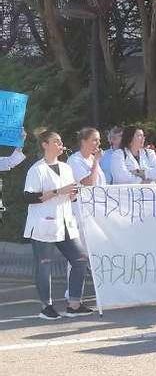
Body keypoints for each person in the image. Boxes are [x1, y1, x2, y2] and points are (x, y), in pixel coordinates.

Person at [22, 130, 93, 320]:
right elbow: (29, 197)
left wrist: (73, 193)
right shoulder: (37, 169)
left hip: (65, 222)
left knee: (80, 259)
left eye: (61, 141)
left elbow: (69, 194)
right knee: (44, 265)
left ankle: (74, 304)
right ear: (45, 145)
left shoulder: (66, 167)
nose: (61, 144)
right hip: (43, 224)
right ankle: (46, 307)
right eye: (56, 141)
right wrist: (58, 191)